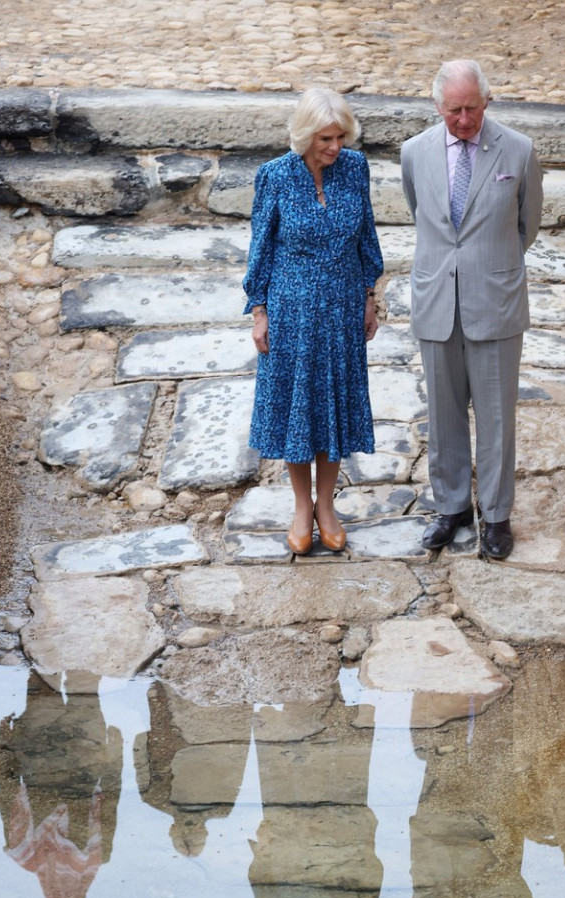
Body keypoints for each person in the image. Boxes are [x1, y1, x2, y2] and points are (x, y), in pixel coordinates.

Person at [401, 60, 544, 559]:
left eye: (472, 108)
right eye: (454, 110)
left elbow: (528, 226)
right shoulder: (414, 152)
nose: (464, 120)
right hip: (436, 300)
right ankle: (453, 506)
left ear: (488, 101)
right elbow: (420, 213)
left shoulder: (519, 150)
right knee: (442, 415)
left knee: (496, 417)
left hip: (496, 302)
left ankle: (498, 516)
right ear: (437, 106)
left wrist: (488, 268)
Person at [242, 87, 383, 555]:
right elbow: (260, 247)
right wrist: (259, 311)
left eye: (341, 137)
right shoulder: (275, 177)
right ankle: (303, 507)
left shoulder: (355, 168)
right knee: (299, 409)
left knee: (333, 406)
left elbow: (366, 235)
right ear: (304, 135)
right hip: (293, 310)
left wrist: (369, 297)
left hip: (342, 306)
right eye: (325, 138)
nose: (335, 147)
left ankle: (328, 505)